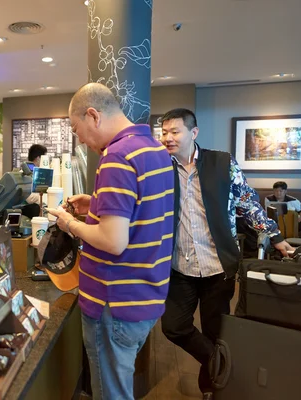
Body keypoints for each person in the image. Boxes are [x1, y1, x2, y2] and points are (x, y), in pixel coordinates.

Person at [48, 83, 174, 400]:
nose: (80, 140)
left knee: (111, 394)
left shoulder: (117, 156)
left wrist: (69, 223)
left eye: (78, 130)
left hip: (114, 302)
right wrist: (97, 204)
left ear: (93, 115)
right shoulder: (153, 149)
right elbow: (144, 210)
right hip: (146, 293)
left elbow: (113, 241)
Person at [158, 108, 294, 400]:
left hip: (218, 266)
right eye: (164, 132)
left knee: (215, 331)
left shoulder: (221, 162)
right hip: (178, 265)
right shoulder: (158, 166)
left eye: (174, 132)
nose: (168, 138)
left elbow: (248, 203)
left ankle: (211, 389)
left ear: (193, 133)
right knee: (173, 326)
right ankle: (219, 362)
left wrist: (276, 237)